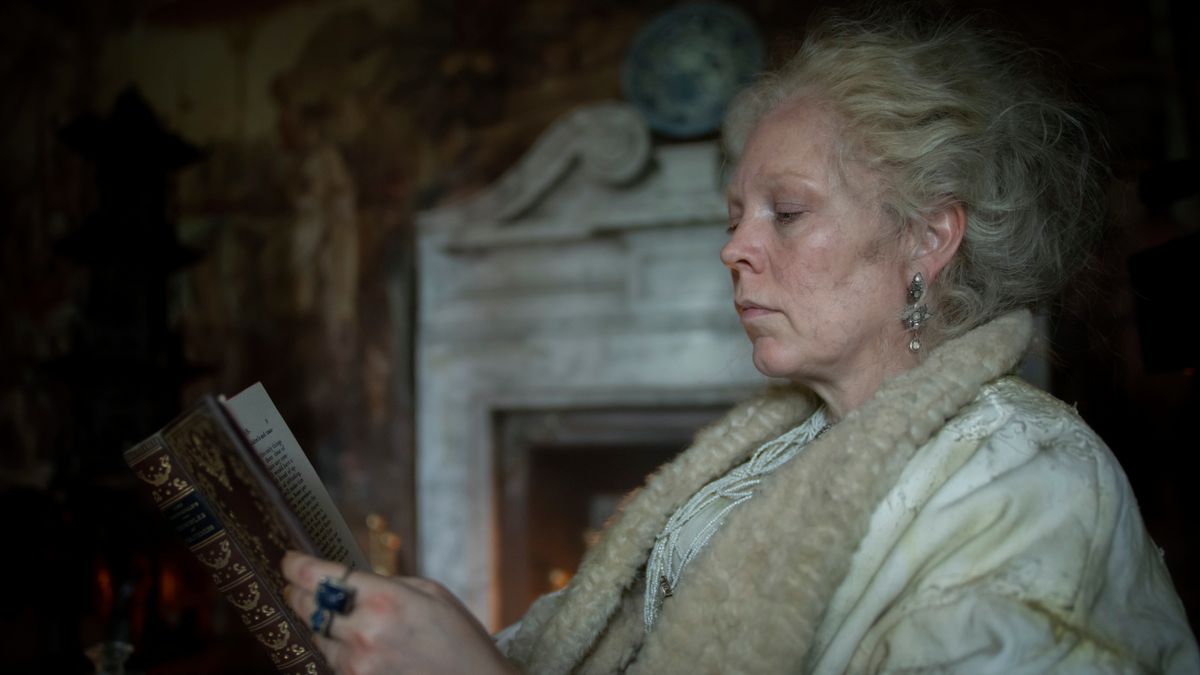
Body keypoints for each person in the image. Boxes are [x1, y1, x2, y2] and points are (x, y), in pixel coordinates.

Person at [282, 7, 1200, 674]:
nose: (733, 247)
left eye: (787, 212)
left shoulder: (1025, 474)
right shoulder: (779, 449)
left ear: (930, 236)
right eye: (736, 214)